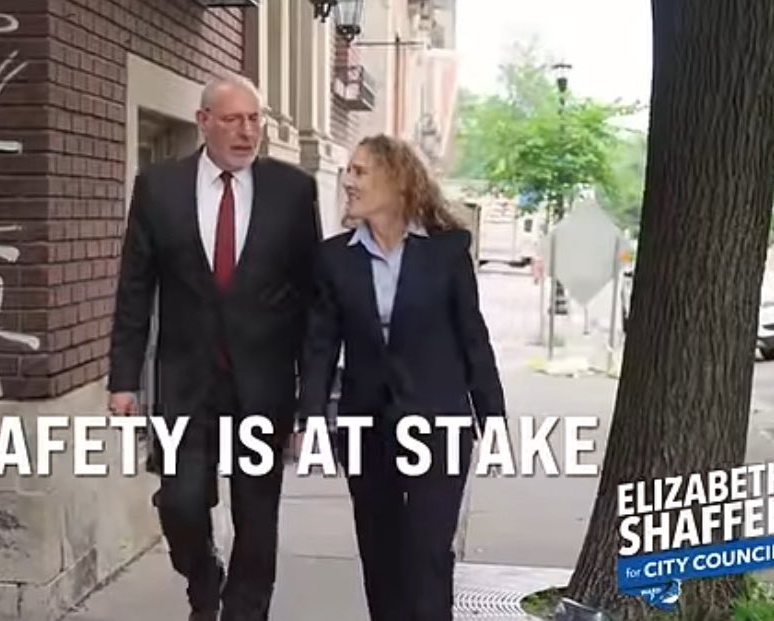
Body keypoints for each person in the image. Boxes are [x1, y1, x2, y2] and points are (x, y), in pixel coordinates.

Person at [106, 72, 322, 621]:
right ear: (204, 123)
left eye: (255, 120)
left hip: (264, 387)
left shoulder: (293, 191)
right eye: (233, 120)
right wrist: (124, 378)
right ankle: (202, 575)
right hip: (187, 386)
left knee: (257, 523)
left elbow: (312, 301)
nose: (247, 132)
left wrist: (310, 403)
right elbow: (136, 288)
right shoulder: (159, 187)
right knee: (180, 503)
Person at [297, 135, 506, 621]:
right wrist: (309, 416)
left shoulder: (447, 252)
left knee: (428, 551)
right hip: (366, 427)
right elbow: (321, 344)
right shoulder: (335, 259)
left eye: (361, 171)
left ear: (396, 179)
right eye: (348, 170)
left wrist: (491, 415)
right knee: (381, 552)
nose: (348, 181)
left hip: (440, 423)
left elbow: (473, 337)